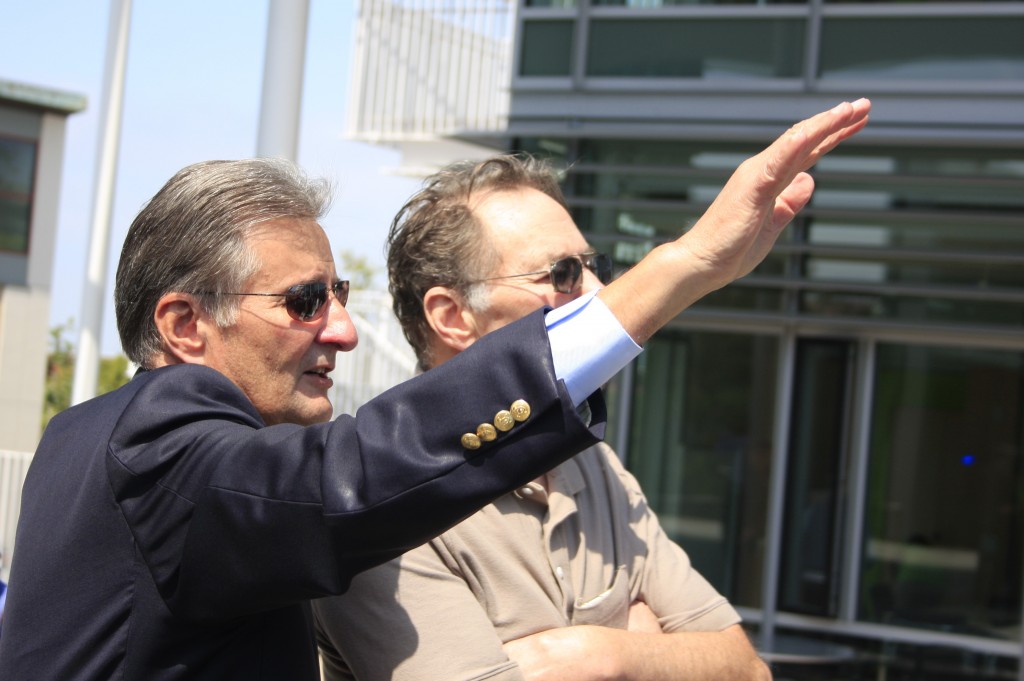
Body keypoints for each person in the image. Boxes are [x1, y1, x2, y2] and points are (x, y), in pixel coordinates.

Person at [0, 99, 870, 681]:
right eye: (304, 301)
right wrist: (682, 268)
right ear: (186, 326)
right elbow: (357, 473)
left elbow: (745, 664)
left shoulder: (96, 439)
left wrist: (588, 655)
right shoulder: (162, 440)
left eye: (339, 295)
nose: (340, 328)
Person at [314, 152, 771, 681]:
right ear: (452, 316)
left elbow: (747, 669)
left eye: (593, 266)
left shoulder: (593, 465)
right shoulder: (381, 503)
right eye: (564, 273)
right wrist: (649, 638)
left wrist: (600, 657)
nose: (599, 292)